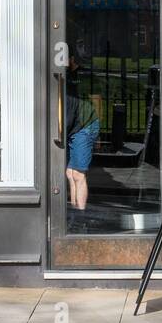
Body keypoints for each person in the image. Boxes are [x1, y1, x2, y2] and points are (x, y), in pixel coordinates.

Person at [64, 56, 100, 220]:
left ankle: (80, 217)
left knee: (78, 174)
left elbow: (96, 100)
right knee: (70, 173)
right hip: (75, 127)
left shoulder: (83, 77)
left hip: (84, 126)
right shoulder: (63, 76)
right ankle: (74, 215)